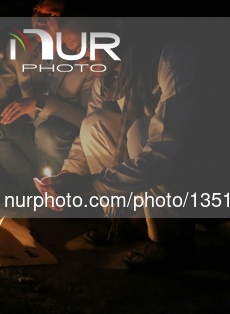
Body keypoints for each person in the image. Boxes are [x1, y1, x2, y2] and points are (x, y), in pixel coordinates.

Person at [35, 17, 198, 271]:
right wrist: (68, 174)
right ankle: (128, 220)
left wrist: (91, 187)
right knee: (95, 124)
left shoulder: (170, 58)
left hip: (205, 162)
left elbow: (165, 150)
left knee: (140, 131)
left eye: (85, 47)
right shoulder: (109, 77)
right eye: (75, 51)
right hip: (163, 158)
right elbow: (86, 133)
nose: (81, 59)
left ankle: (170, 241)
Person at [0, 0, 96, 195]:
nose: (39, 20)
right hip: (34, 133)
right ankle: (36, 190)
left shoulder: (88, 57)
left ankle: (72, 192)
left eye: (51, 14)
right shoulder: (23, 47)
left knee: (48, 134)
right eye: (36, 12)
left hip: (70, 147)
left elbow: (88, 121)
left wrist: (41, 104)